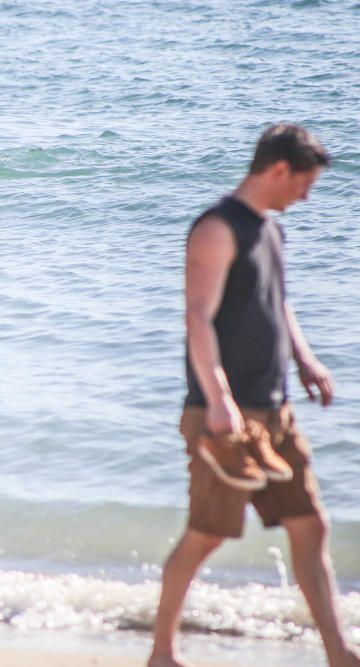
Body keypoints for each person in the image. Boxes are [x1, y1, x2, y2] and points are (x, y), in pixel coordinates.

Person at [147, 125, 360, 667]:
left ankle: (339, 653)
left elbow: (277, 304)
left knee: (311, 525)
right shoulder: (218, 228)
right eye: (304, 184)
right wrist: (219, 400)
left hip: (275, 407)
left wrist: (305, 359)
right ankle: (162, 653)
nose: (306, 196)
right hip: (224, 414)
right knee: (206, 536)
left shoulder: (270, 230)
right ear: (279, 170)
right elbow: (198, 317)